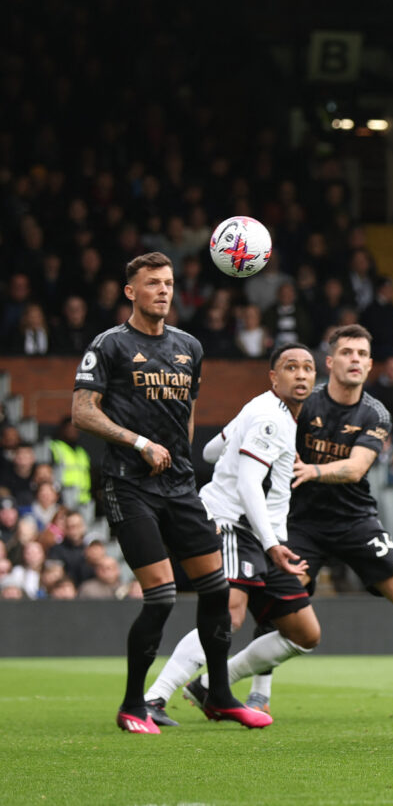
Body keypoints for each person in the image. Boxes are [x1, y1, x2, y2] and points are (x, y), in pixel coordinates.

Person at [71, 251, 270, 733]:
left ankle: (220, 696)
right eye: (153, 283)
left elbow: (188, 412)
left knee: (217, 590)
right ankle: (132, 706)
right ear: (130, 292)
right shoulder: (110, 345)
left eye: (168, 282)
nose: (163, 290)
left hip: (179, 485)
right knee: (159, 596)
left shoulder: (189, 347)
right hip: (129, 485)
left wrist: (177, 454)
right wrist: (138, 442)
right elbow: (82, 411)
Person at [142, 343, 320, 726]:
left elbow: (209, 451)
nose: (301, 374)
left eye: (308, 368)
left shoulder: (258, 409)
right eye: (291, 367)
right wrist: (273, 545)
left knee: (304, 633)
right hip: (233, 523)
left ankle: (207, 687)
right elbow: (248, 484)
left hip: (258, 532)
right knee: (229, 615)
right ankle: (154, 698)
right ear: (274, 377)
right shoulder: (271, 419)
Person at [286, 324, 393, 714]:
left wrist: (313, 471)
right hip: (302, 523)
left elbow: (357, 468)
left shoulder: (375, 412)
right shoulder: (302, 403)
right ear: (329, 362)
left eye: (362, 354)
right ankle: (257, 692)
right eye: (347, 353)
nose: (355, 360)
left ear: (371, 363)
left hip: (356, 521)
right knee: (282, 605)